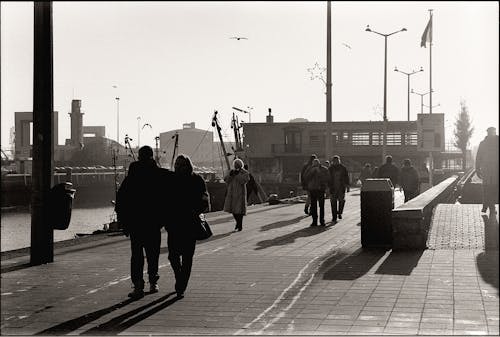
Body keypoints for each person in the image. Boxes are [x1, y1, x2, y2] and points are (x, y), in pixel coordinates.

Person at [115, 146, 167, 300]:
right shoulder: (157, 174)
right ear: (151, 156)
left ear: (139, 157)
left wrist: (123, 222)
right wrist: (163, 220)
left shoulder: (132, 175)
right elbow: (165, 199)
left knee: (136, 255)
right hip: (152, 222)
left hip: (136, 223)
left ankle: (138, 285)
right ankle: (153, 281)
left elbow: (122, 199)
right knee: (153, 254)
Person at [167, 154, 209, 298]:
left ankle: (181, 285)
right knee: (172, 256)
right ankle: (180, 277)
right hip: (173, 223)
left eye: (181, 165)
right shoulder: (171, 180)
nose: (178, 167)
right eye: (176, 165)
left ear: (188, 165)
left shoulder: (196, 180)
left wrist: (195, 210)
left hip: (190, 223)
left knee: (187, 256)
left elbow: (204, 200)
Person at [476, 127, 499, 214]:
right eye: (489, 132)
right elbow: (478, 157)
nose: (491, 134)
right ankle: (487, 206)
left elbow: (478, 157)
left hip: (496, 170)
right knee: (487, 188)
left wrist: (477, 168)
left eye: (492, 132)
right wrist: (477, 169)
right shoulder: (483, 144)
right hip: (487, 170)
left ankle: (489, 206)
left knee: (492, 188)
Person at [224, 158, 250, 231]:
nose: (236, 166)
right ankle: (238, 223)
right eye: (235, 164)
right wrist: (230, 175)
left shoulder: (245, 172)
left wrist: (237, 175)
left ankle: (239, 225)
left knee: (239, 211)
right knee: (233, 210)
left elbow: (244, 180)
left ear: (240, 165)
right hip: (231, 194)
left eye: (237, 164)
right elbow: (226, 180)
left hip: (240, 194)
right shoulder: (231, 171)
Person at [305, 158, 329, 226]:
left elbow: (327, 178)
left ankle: (322, 221)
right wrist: (312, 172)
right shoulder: (309, 169)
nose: (315, 165)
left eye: (316, 164)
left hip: (321, 189)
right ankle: (314, 221)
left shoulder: (324, 169)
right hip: (312, 189)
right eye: (314, 164)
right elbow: (306, 177)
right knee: (313, 206)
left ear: (319, 163)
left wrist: (319, 173)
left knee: (321, 206)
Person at [328, 155, 350, 223]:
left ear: (339, 160)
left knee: (341, 201)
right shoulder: (330, 168)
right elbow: (328, 178)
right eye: (334, 161)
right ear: (333, 161)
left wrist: (347, 186)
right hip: (333, 187)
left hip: (341, 187)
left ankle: (340, 212)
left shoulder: (343, 168)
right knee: (333, 202)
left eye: (337, 161)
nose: (336, 162)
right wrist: (327, 187)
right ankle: (334, 216)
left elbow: (347, 177)